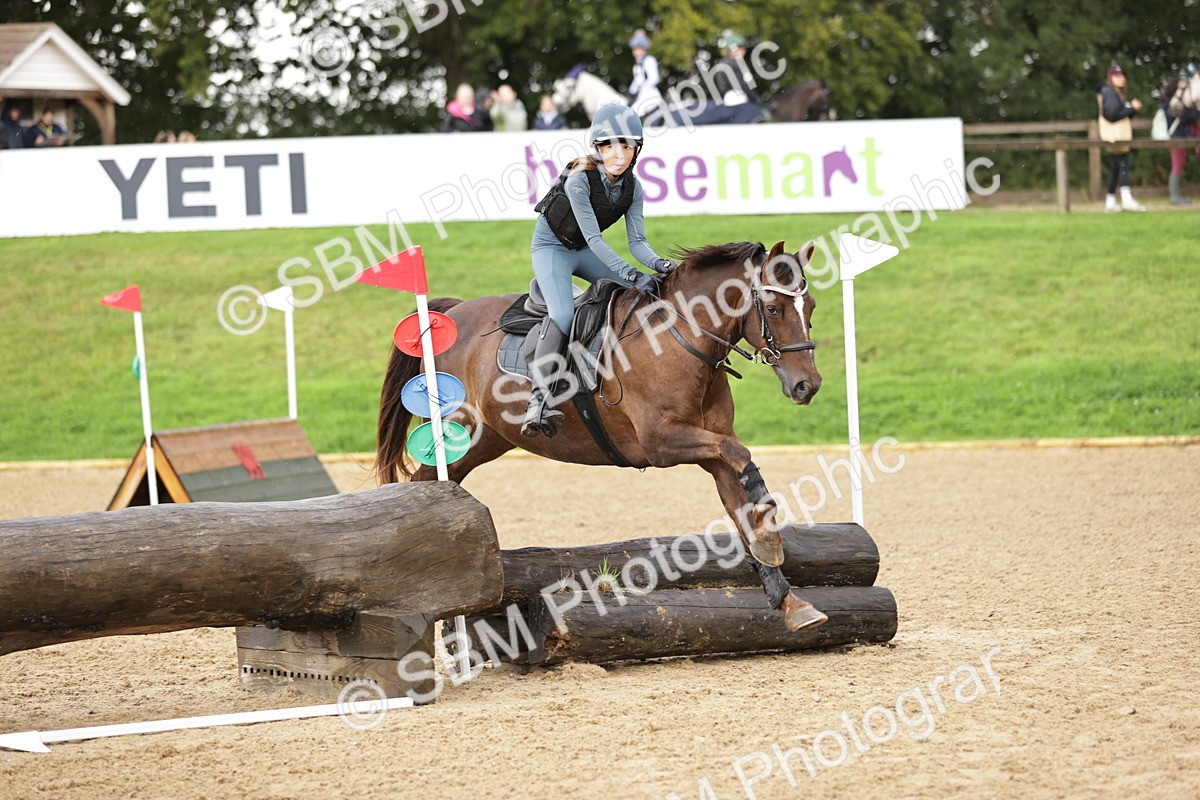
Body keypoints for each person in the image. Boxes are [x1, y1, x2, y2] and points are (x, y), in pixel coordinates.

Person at [523, 104, 676, 438]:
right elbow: (594, 238)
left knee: (634, 296)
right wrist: (633, 273)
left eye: (626, 146)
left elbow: (637, 243)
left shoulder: (634, 189)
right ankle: (538, 400)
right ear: (598, 148)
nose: (618, 154)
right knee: (563, 313)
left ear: (637, 150)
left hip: (583, 251)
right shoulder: (579, 181)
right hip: (552, 249)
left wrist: (664, 266)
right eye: (609, 146)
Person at [1097, 64, 1145, 212]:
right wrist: (1131, 108)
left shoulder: (1112, 92)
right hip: (1116, 137)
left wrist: (1131, 109)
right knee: (1123, 165)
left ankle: (1110, 201)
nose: (1122, 79)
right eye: (1118, 76)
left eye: (1122, 75)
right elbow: (1112, 115)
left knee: (1116, 169)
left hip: (1115, 136)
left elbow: (1119, 113)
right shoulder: (1110, 92)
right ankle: (1126, 199)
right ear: (1111, 78)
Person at [1163, 66, 1200, 205]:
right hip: (1177, 137)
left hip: (1181, 136)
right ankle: (1175, 197)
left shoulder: (1172, 104)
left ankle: (1177, 196)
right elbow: (1185, 117)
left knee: (1179, 165)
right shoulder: (1171, 105)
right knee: (1177, 165)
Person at [712, 31, 763, 109]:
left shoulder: (728, 63)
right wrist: (755, 98)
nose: (743, 50)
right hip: (737, 98)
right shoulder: (730, 64)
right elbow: (740, 85)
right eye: (740, 48)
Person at [627, 29, 662, 112]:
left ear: (644, 49)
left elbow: (654, 78)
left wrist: (642, 89)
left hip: (649, 94)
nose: (637, 52)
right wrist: (631, 91)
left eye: (639, 49)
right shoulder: (637, 63)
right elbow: (637, 80)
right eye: (635, 49)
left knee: (634, 111)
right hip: (640, 95)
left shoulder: (649, 60)